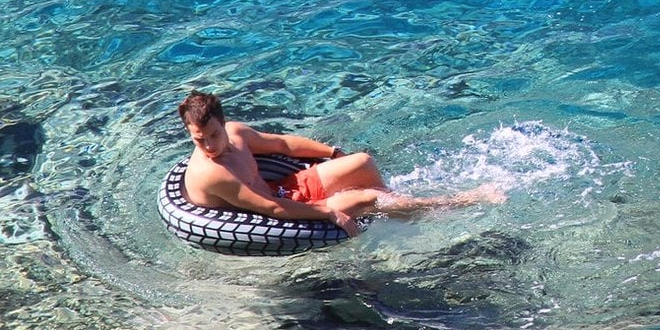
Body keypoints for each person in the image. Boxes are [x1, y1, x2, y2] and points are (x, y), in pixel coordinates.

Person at [177, 90, 503, 237]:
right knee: (368, 198)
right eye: (198, 139)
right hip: (280, 214)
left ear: (223, 123)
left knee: (361, 162)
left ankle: (397, 214)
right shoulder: (212, 174)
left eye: (212, 135)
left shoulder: (235, 133)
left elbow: (282, 144)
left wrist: (333, 152)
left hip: (284, 191)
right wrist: (331, 212)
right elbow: (271, 210)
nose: (207, 145)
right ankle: (463, 201)